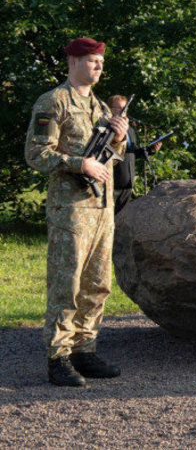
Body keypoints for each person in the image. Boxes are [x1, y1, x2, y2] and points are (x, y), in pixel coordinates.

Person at [25, 37, 128, 387]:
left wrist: (119, 136)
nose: (99, 66)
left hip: (101, 209)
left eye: (101, 61)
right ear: (72, 62)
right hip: (69, 210)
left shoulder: (100, 107)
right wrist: (77, 163)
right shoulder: (53, 102)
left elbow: (111, 155)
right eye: (92, 60)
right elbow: (37, 154)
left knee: (97, 285)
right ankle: (59, 357)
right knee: (65, 284)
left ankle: (85, 348)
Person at [108, 94, 161, 214]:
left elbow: (133, 153)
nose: (123, 111)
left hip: (127, 186)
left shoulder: (130, 130)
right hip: (112, 184)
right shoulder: (107, 128)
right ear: (110, 109)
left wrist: (151, 149)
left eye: (125, 108)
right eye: (120, 108)